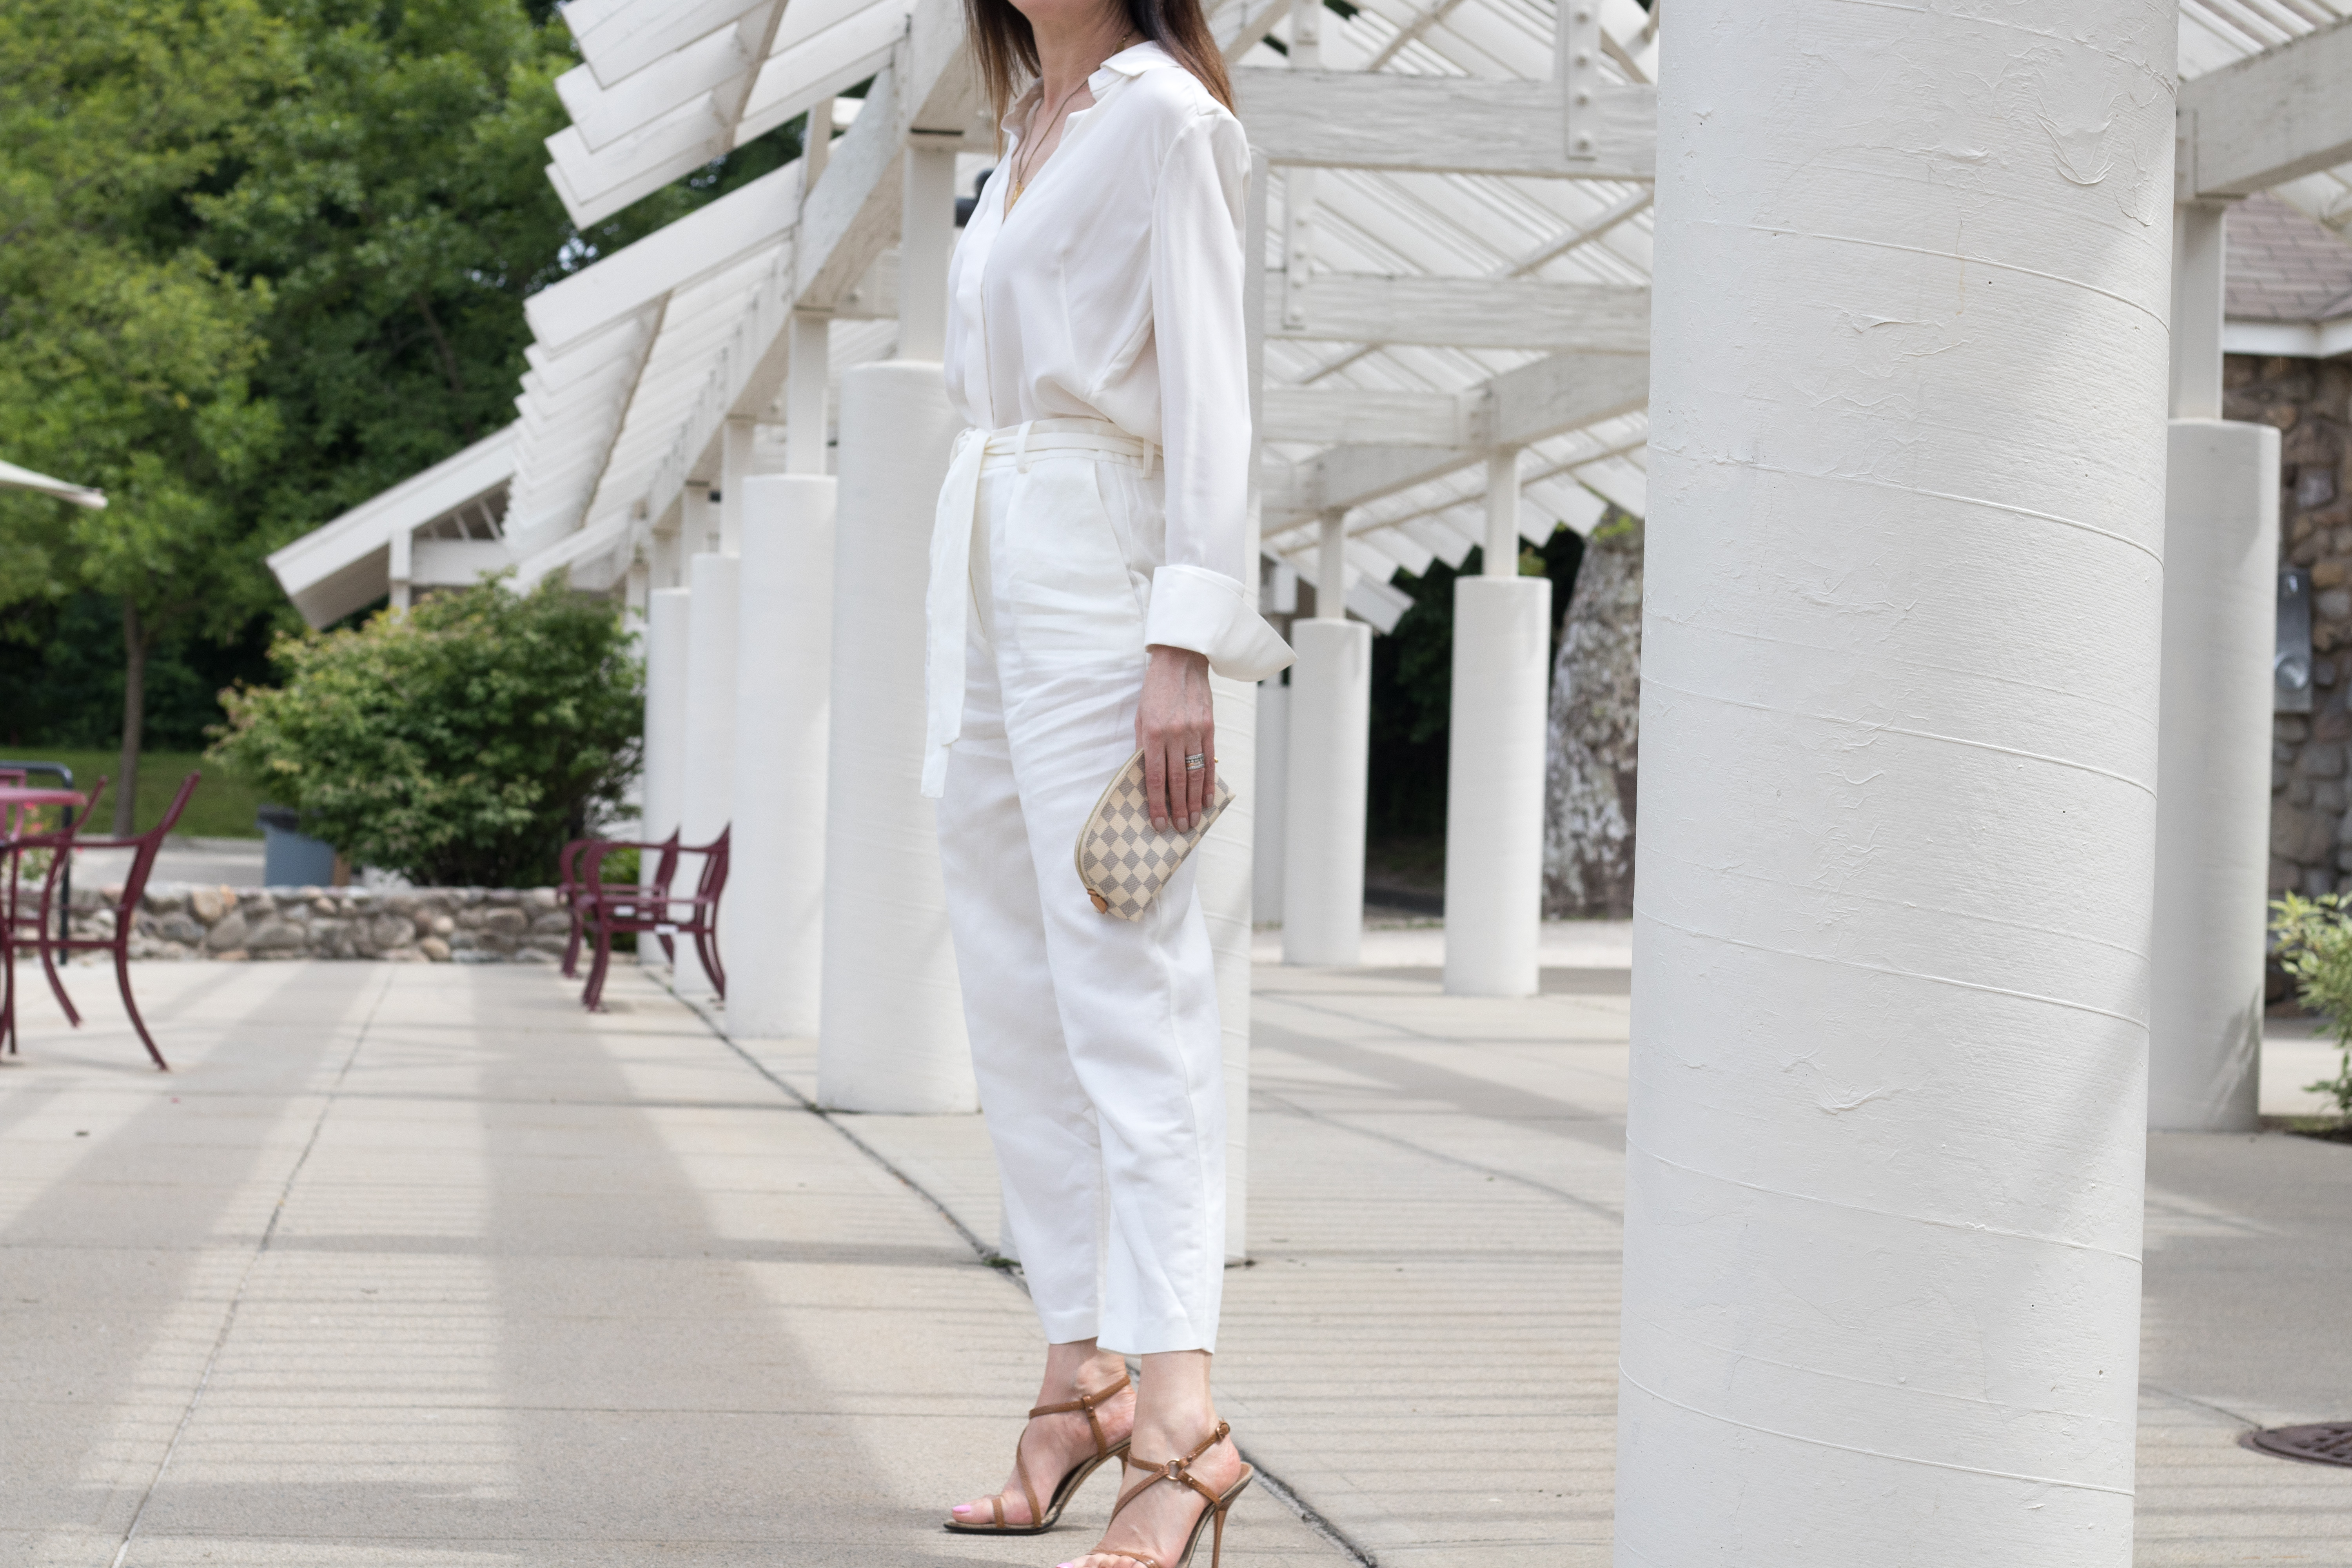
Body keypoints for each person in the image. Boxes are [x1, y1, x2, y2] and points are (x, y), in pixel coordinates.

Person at [922, 0, 1294, 1560]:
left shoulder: (1168, 119)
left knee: (1127, 991)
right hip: (988, 557)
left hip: (1103, 570)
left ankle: (1180, 1416)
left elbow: (1213, 394)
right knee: (1012, 984)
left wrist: (1183, 640)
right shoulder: (1016, 133)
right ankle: (1078, 1365)